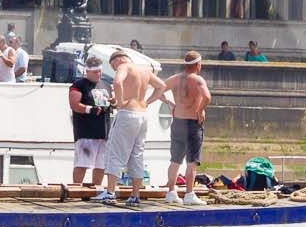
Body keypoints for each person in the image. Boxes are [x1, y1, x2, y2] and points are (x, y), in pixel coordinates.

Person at [102, 48, 168, 204]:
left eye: (113, 66)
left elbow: (117, 82)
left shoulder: (123, 67)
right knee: (137, 154)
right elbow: (162, 86)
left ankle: (110, 193)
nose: (114, 68)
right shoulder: (145, 69)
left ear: (117, 60)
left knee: (115, 152)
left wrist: (119, 102)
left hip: (128, 113)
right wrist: (148, 101)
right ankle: (135, 195)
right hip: (142, 114)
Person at [164, 51, 213, 205]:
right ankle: (189, 194)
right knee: (192, 161)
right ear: (198, 65)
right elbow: (207, 97)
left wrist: (169, 103)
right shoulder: (198, 80)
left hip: (178, 121)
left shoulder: (174, 79)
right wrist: (200, 109)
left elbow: (158, 89)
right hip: (192, 122)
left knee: (175, 160)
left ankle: (171, 192)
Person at [69, 53, 112, 193]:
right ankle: (76, 190)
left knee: (101, 165)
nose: (98, 74)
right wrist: (90, 110)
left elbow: (112, 101)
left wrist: (114, 103)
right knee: (82, 164)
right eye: (95, 72)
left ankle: (97, 191)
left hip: (103, 131)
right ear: (87, 71)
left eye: (100, 71)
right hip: (86, 132)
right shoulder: (79, 85)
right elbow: (74, 104)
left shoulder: (105, 84)